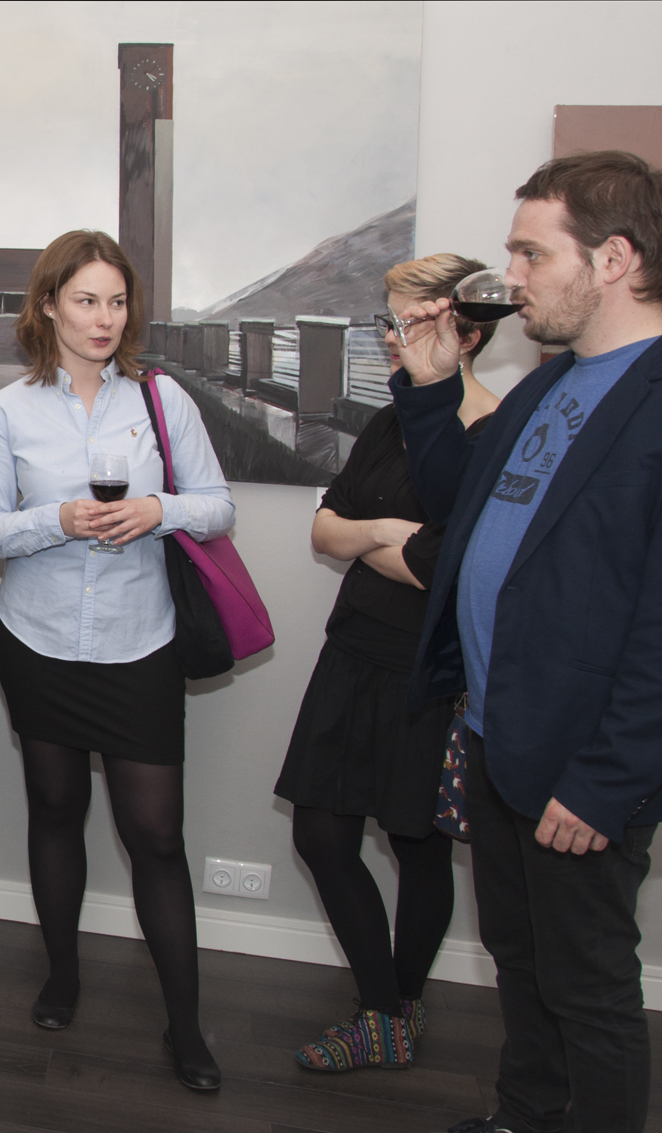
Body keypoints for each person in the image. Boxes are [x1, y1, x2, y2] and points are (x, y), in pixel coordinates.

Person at [388, 151, 662, 1133]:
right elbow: (460, 510)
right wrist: (430, 387)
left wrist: (606, 780)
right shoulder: (551, 386)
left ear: (613, 258)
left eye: (530, 253)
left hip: (578, 762)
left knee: (587, 987)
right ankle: (523, 1116)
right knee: (518, 957)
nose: (511, 276)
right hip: (496, 735)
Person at [0, 230, 233, 1091]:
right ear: (49, 306)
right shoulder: (11, 409)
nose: (104, 318)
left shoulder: (160, 399)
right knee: (54, 810)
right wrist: (57, 521)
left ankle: (186, 1025)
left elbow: (218, 507)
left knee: (157, 836)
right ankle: (63, 973)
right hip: (38, 642)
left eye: (116, 301)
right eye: (86, 300)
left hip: (139, 642)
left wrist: (158, 509)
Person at [273, 255, 501, 1072]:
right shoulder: (390, 419)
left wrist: (376, 538)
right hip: (353, 650)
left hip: (428, 669)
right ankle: (390, 1010)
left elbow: (446, 566)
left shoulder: (495, 431)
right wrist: (381, 532)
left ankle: (393, 1008)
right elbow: (325, 529)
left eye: (409, 322)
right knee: (320, 832)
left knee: (417, 843)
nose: (393, 338)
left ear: (465, 332)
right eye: (390, 320)